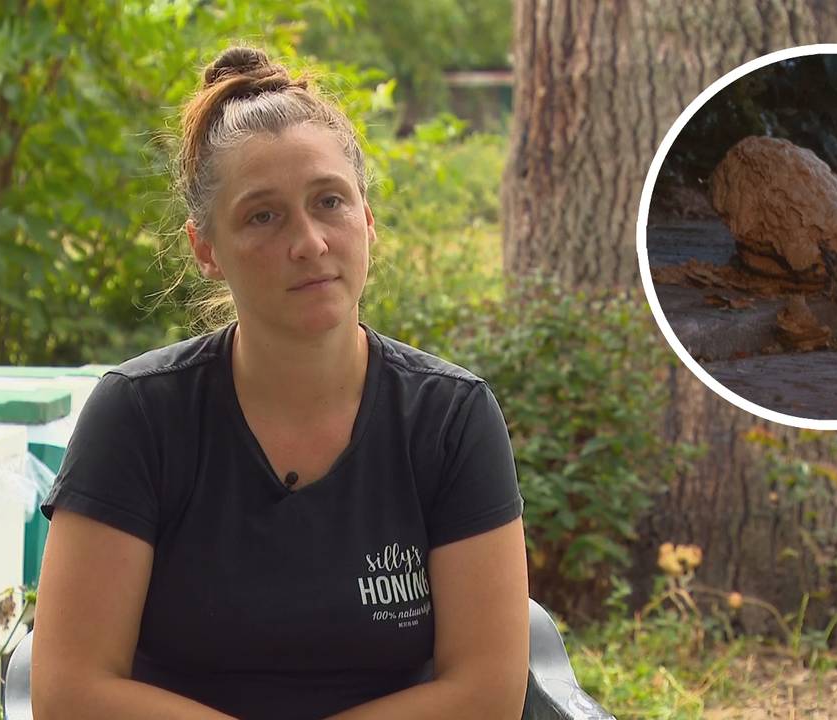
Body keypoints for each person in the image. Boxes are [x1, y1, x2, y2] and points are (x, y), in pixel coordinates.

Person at [30, 46, 529, 720]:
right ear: (206, 249)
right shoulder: (139, 417)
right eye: (263, 215)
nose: (310, 242)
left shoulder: (449, 419)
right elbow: (70, 690)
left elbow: (486, 692)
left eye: (330, 202)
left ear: (368, 220)